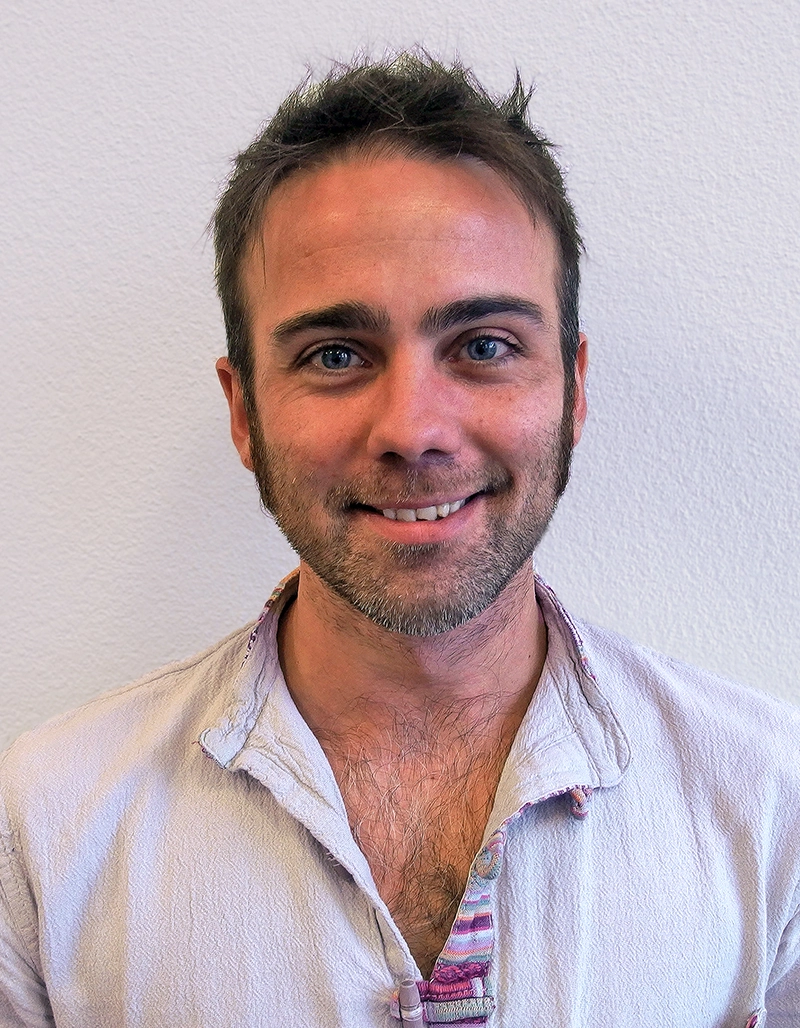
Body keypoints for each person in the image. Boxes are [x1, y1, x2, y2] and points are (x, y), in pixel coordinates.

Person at [0, 54, 798, 1028]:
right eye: (335, 355)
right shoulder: (43, 830)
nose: (412, 429)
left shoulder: (769, 807)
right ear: (243, 411)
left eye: (484, 346)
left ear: (574, 387)